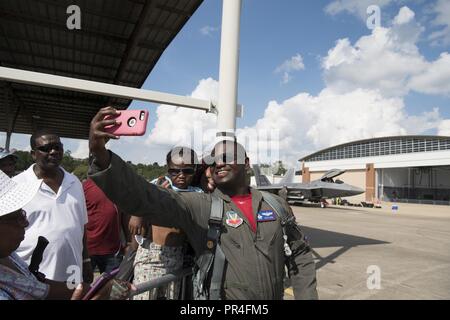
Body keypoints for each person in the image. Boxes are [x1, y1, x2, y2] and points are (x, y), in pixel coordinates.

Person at [88, 107, 318, 300]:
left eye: (226, 157)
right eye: (212, 161)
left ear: (246, 163)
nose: (218, 164)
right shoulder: (202, 206)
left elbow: (299, 255)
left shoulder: (276, 206)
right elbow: (148, 197)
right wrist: (100, 155)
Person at [0, 170, 117, 300]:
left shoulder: (9, 258)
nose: (26, 222)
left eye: (23, 213)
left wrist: (92, 290)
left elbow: (39, 287)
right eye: (17, 217)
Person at [12, 129, 93, 283]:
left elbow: (80, 226)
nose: (54, 151)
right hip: (32, 275)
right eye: (46, 148)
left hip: (72, 272)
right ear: (33, 154)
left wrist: (86, 261)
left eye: (58, 147)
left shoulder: (74, 182)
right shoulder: (17, 185)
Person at [132, 147, 203, 300]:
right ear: (168, 168)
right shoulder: (157, 185)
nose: (181, 176)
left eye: (188, 171)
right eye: (175, 171)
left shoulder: (198, 194)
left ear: (195, 169)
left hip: (178, 257)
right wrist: (138, 214)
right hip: (151, 255)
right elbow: (136, 204)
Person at [83, 178, 125, 274]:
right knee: (79, 285)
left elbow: (124, 214)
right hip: (88, 249)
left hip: (113, 250)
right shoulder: (83, 187)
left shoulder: (118, 187)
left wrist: (128, 241)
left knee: (113, 286)